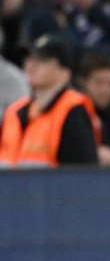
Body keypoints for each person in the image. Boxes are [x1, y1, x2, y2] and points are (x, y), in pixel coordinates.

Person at [0, 33, 99, 167]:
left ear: (64, 72)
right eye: (29, 58)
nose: (30, 65)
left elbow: (81, 175)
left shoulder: (73, 110)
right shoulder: (15, 111)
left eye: (43, 60)